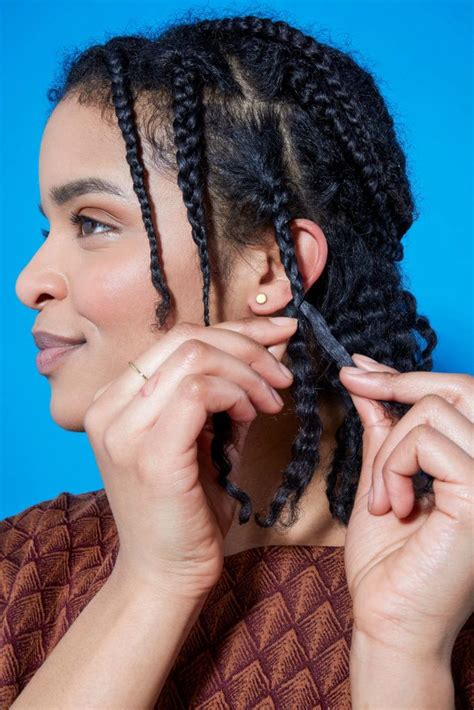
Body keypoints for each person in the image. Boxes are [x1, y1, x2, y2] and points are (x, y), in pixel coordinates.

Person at [1, 14, 472, 709]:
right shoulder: (23, 570)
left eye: (93, 225)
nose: (28, 282)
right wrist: (151, 581)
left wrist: (403, 648)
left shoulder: (447, 575)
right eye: (49, 229)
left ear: (272, 269)